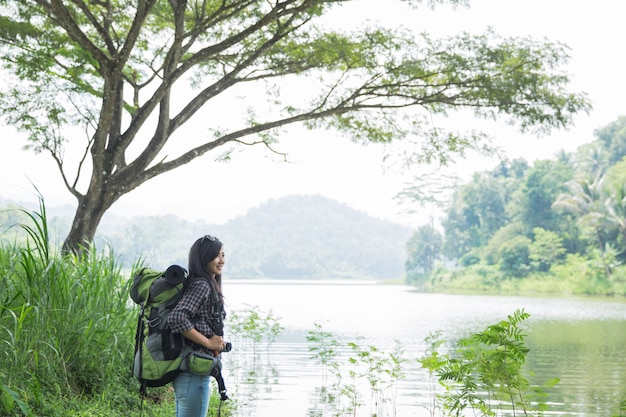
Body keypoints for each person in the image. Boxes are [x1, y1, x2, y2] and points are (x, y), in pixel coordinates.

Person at [168, 234, 227, 417]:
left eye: (223, 255)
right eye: (217, 255)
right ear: (204, 257)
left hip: (191, 372)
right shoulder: (202, 285)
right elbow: (177, 318)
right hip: (192, 373)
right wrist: (208, 343)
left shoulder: (205, 283)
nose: (222, 260)